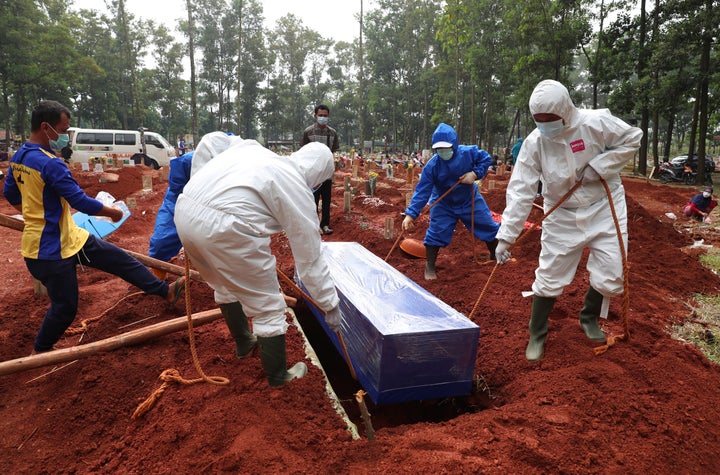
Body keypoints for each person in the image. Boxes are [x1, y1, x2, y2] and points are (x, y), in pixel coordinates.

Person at [2, 100, 185, 354]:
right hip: (50, 251)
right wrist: (113, 212)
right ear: (46, 127)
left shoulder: (20, 157)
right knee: (65, 307)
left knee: (120, 260)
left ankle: (165, 292)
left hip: (69, 238)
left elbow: (10, 192)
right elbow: (79, 201)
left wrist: (33, 212)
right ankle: (41, 350)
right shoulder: (50, 164)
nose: (65, 137)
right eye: (63, 131)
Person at [494, 79, 643, 361]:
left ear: (566, 111)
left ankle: (588, 317)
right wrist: (506, 236)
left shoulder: (595, 123)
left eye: (551, 119)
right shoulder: (534, 143)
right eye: (539, 120)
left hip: (603, 205)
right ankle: (537, 333)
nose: (545, 125)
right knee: (550, 274)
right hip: (561, 212)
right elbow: (521, 190)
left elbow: (632, 137)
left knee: (613, 272)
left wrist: (600, 167)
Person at [174, 140, 342, 387]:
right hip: (228, 228)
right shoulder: (295, 184)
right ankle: (278, 377)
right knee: (268, 306)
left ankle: (244, 342)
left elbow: (211, 141)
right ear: (318, 179)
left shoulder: (253, 151)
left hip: (186, 212)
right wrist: (330, 304)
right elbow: (310, 259)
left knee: (223, 284)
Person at [402, 122, 500, 280]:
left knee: (486, 225)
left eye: (446, 147)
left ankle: (495, 256)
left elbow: (486, 158)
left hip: (469, 198)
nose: (443, 151)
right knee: (437, 231)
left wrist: (475, 174)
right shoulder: (432, 166)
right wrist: (410, 214)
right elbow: (422, 191)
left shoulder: (468, 153)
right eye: (439, 148)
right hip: (443, 203)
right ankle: (430, 266)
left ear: (454, 144)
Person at [148, 132, 239, 278]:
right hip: (179, 199)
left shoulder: (236, 165)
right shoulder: (187, 161)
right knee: (162, 240)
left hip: (218, 203)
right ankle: (158, 277)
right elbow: (177, 188)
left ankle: (227, 275)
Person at [301, 104, 339, 235]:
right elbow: (304, 152)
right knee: (313, 200)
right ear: (315, 116)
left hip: (327, 173)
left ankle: (325, 224)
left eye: (325, 116)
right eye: (320, 115)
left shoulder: (332, 133)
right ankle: (315, 224)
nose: (323, 118)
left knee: (327, 199)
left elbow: (333, 151)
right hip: (313, 174)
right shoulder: (308, 132)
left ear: (329, 117)